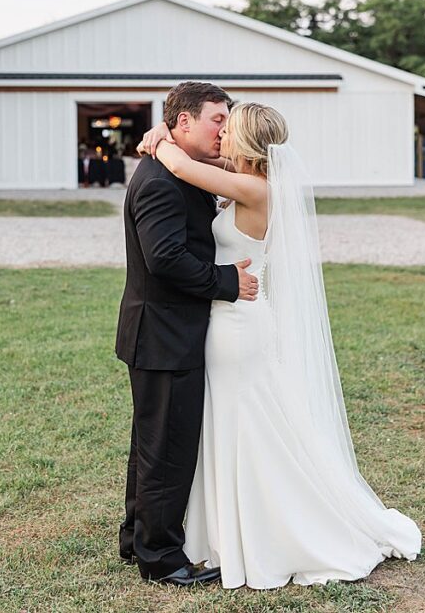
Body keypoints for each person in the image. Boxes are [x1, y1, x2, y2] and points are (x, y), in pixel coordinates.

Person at [138, 101, 421, 589]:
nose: (221, 135)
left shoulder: (252, 187)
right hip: (237, 317)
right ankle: (236, 530)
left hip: (238, 324)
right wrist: (166, 135)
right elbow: (203, 164)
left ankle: (269, 533)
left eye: (229, 128)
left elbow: (182, 165)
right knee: (238, 425)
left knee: (245, 428)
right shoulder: (247, 176)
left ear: (246, 142)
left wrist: (159, 135)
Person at [114, 81, 258, 586]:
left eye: (228, 118)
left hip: (162, 331)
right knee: (167, 449)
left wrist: (161, 135)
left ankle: (137, 539)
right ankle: (162, 560)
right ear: (184, 123)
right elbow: (166, 258)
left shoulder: (177, 165)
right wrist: (228, 282)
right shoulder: (159, 180)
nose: (226, 127)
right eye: (217, 119)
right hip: (164, 334)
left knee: (152, 444)